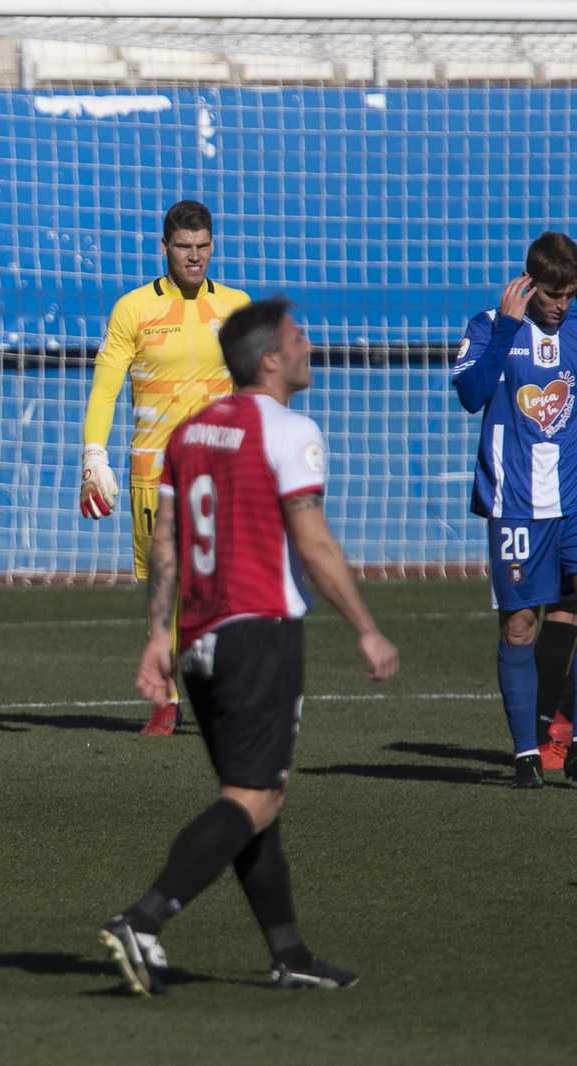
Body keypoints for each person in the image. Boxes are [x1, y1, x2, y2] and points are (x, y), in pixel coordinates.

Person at [100, 297, 398, 995]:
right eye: (298, 336)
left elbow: (166, 542)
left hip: (201, 641)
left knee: (259, 797)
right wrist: (365, 627)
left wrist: (157, 639)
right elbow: (314, 543)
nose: (308, 344)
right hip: (259, 633)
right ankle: (142, 921)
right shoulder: (290, 429)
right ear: (270, 357)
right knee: (253, 796)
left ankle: (288, 953)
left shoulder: (191, 432)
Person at [81, 201, 251, 735]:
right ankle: (167, 700)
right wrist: (93, 455)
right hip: (156, 475)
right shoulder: (133, 309)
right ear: (165, 247)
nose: (194, 256)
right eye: (183, 246)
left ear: (213, 245)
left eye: (202, 246)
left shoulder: (238, 306)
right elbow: (106, 388)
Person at [453, 232, 577, 785]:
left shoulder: (575, 329)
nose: (563, 304)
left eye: (571, 293)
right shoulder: (489, 325)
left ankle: (569, 738)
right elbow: (471, 394)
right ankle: (527, 752)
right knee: (521, 625)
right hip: (519, 505)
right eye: (554, 293)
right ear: (529, 284)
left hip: (573, 503)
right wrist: (506, 328)